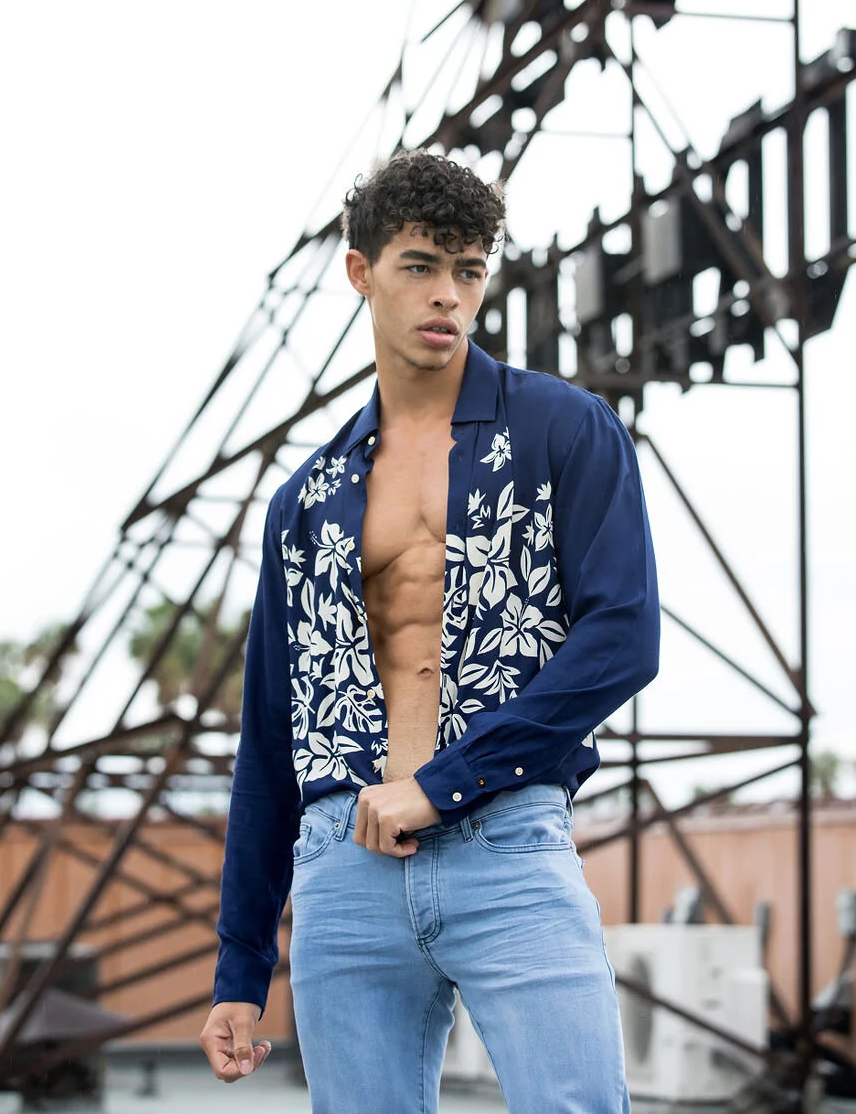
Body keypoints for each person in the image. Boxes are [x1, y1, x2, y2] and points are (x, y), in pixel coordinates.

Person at [200, 150, 660, 1113]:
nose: (448, 294)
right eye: (419, 265)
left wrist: (442, 785)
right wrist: (240, 967)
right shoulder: (307, 499)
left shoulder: (562, 431)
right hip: (343, 867)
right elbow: (270, 741)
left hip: (507, 838)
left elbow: (623, 637)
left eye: (468, 269)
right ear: (361, 272)